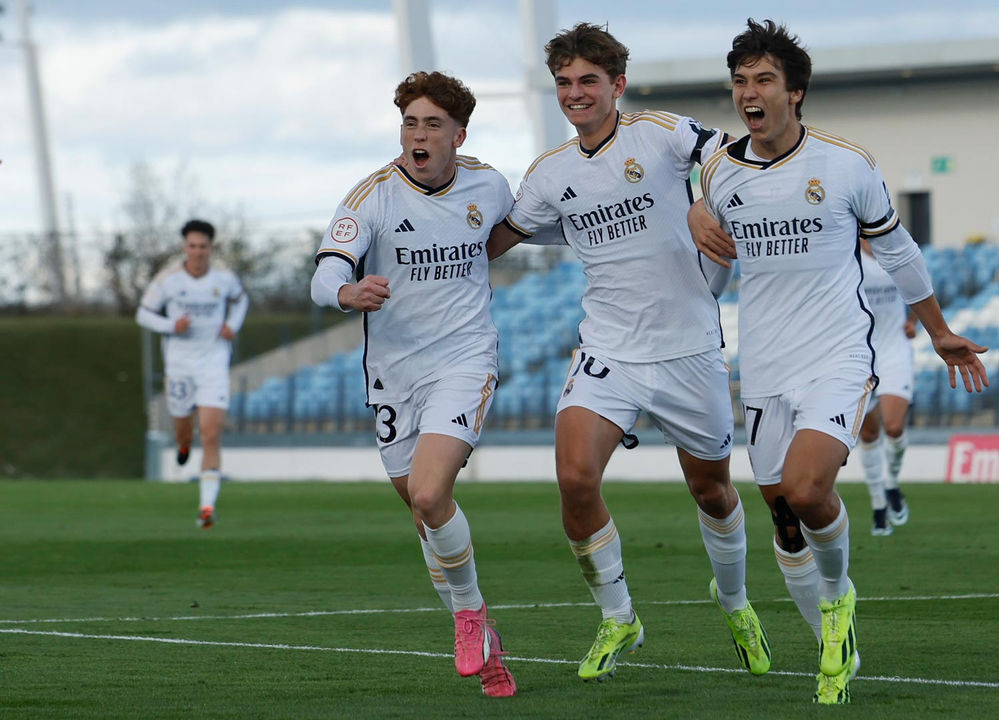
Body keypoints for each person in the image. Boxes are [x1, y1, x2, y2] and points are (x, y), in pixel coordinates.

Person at [695, 19, 988, 704]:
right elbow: (709, 272)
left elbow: (898, 249)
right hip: (763, 364)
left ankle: (837, 601)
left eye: (763, 79)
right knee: (783, 513)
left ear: (794, 91)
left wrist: (939, 329)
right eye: (740, 82)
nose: (749, 93)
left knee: (805, 488)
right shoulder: (718, 173)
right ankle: (835, 644)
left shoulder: (846, 164)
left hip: (836, 357)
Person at [485, 22, 771, 681]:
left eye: (589, 81)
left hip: (690, 349)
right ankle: (619, 615)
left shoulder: (661, 134)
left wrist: (703, 202)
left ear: (617, 85)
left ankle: (735, 603)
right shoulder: (550, 173)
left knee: (713, 491)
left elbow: (730, 152)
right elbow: (498, 239)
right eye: (564, 83)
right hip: (609, 349)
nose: (575, 93)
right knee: (575, 477)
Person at [310, 71, 515, 698]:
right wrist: (347, 291)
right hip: (393, 377)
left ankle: (469, 613)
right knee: (423, 515)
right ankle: (489, 648)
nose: (417, 135)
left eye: (431, 124)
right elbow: (324, 276)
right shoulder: (371, 197)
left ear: (458, 133)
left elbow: (527, 227)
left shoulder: (489, 184)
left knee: (430, 495)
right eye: (409, 122)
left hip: (464, 360)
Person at [136, 219, 248, 530]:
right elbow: (143, 314)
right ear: (184, 247)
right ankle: (183, 444)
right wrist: (171, 326)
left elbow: (241, 301)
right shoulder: (168, 280)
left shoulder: (224, 278)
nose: (198, 252)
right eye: (192, 246)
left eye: (203, 246)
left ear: (211, 248)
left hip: (213, 362)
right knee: (183, 429)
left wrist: (232, 326)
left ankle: (206, 506)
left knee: (211, 434)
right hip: (180, 366)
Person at [857, 238, 916, 536]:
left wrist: (914, 321)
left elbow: (921, 286)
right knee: (868, 434)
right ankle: (878, 503)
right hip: (861, 355)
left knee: (893, 427)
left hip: (895, 352)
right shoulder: (848, 257)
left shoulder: (896, 254)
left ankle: (892, 483)